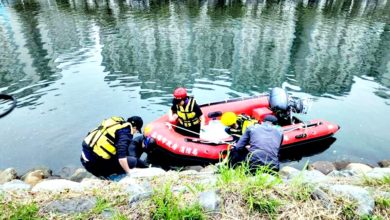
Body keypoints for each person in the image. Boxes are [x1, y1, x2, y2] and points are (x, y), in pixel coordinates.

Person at [80, 116, 149, 178]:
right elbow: (121, 159)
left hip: (85, 158)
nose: (135, 133)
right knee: (132, 161)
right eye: (136, 131)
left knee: (125, 154)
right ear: (134, 128)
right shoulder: (125, 134)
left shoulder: (117, 125)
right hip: (94, 165)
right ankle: (111, 176)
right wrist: (129, 172)